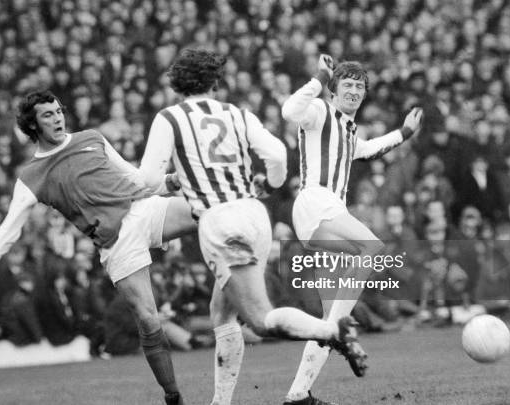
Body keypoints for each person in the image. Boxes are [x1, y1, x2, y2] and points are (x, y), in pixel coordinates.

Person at [140, 49, 359, 405]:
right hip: (256, 215)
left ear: (177, 83)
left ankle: (332, 329)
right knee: (221, 310)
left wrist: (168, 182)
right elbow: (276, 155)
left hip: (220, 221)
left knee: (258, 318)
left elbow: (148, 179)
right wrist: (270, 184)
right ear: (215, 80)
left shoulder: (170, 118)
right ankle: (220, 402)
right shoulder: (237, 114)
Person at [0, 90, 196, 405]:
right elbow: (9, 227)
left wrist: (168, 183)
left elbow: (135, 177)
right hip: (117, 242)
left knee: (207, 210)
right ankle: (173, 395)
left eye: (58, 111)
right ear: (32, 126)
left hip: (144, 210)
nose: (58, 117)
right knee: (149, 320)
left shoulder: (92, 137)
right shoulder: (31, 176)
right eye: (48, 115)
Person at [281, 55, 423, 404]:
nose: (354, 90)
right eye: (347, 84)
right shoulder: (317, 111)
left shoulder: (349, 130)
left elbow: (371, 149)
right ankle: (344, 332)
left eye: (360, 86)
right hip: (316, 200)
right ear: (333, 90)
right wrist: (318, 77)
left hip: (324, 216)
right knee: (373, 248)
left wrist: (404, 133)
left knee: (329, 316)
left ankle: (298, 394)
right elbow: (288, 111)